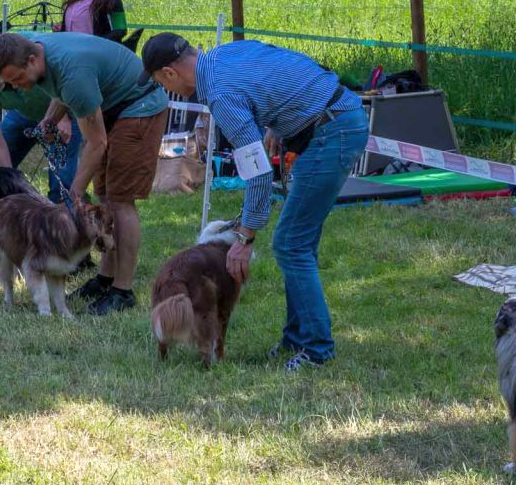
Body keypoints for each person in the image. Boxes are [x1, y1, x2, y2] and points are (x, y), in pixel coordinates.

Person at [140, 33, 368, 373]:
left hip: (332, 132)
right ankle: (297, 338)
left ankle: (318, 351)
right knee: (299, 243)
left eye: (160, 82)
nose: (165, 89)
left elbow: (258, 174)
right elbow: (282, 65)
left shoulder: (219, 96)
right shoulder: (224, 54)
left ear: (170, 74)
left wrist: (244, 237)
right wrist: (279, 122)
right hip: (338, 115)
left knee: (291, 245)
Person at [0, 31, 168, 315]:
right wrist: (51, 119)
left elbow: (97, 143)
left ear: (32, 59)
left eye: (17, 78)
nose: (18, 86)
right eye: (10, 83)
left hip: (139, 107)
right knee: (105, 195)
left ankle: (123, 291)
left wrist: (74, 190)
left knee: (120, 200)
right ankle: (105, 280)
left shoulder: (72, 73)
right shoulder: (38, 53)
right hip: (112, 106)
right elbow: (61, 92)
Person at [0, 37, 84, 203]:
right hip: (23, 114)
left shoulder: (23, 60)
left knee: (60, 188)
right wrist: (9, 199)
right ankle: (24, 213)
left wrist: (64, 116)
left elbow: (66, 76)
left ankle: (69, 215)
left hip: (65, 109)